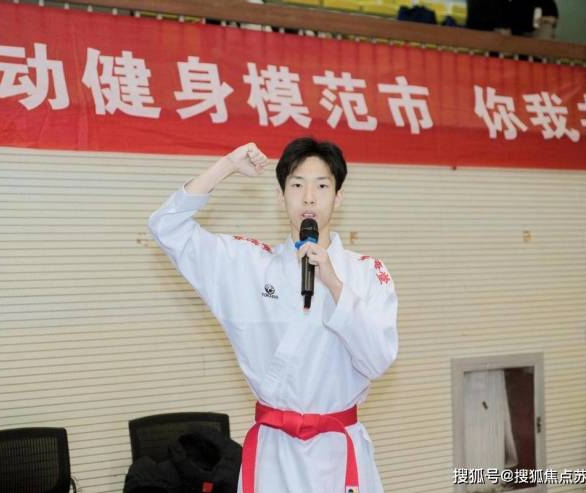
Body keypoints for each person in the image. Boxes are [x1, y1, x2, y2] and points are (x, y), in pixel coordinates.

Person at [148, 137, 399, 493]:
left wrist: (334, 284)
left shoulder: (367, 273)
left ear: (338, 197)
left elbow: (378, 361)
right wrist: (227, 165)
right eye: (296, 185)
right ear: (280, 196)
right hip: (274, 455)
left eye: (322, 186)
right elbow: (166, 226)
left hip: (338, 453)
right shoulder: (249, 265)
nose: (309, 198)